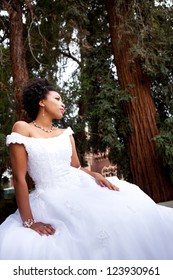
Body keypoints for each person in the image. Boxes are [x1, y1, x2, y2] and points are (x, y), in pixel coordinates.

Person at [0, 77, 173, 260]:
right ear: (42, 102)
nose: (63, 104)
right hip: (51, 197)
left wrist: (95, 174)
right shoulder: (22, 128)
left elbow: (76, 167)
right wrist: (29, 222)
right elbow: (19, 178)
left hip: (82, 186)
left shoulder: (66, 133)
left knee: (130, 213)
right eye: (57, 99)